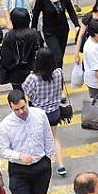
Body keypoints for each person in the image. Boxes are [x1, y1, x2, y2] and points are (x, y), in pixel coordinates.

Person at [22, 47, 67, 176]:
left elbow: (26, 92)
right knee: (54, 138)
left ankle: (42, 165)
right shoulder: (58, 72)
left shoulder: (33, 78)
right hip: (54, 112)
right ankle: (61, 165)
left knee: (39, 139)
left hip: (38, 114)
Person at [31, 0, 79, 68]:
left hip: (63, 30)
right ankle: (54, 74)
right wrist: (34, 30)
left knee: (60, 57)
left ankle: (57, 77)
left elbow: (71, 10)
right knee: (56, 56)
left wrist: (77, 25)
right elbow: (35, 15)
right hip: (50, 32)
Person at [0, 8, 43, 90]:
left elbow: (5, 59)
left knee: (19, 96)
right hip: (33, 71)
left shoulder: (9, 36)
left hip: (16, 74)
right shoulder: (35, 34)